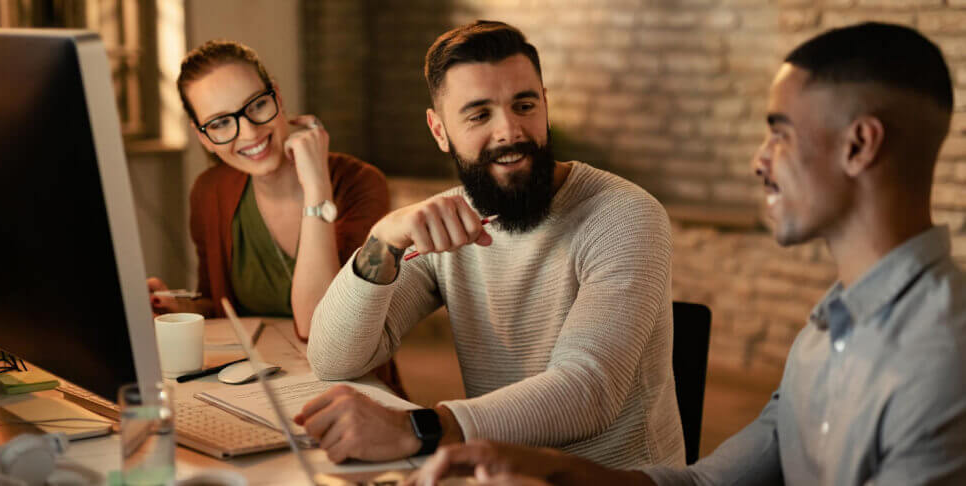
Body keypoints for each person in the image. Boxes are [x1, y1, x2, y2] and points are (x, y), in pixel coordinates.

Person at [406, 22, 966, 486]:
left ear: (859, 145)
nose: (760, 161)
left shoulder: (941, 356)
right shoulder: (830, 326)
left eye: (781, 134)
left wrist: (435, 428)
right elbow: (705, 483)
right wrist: (547, 470)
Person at [292, 20, 684, 469]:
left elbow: (588, 390)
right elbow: (332, 357)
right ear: (439, 131)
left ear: (545, 105)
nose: (510, 131)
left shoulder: (625, 215)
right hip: (499, 472)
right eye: (479, 114)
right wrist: (383, 239)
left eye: (524, 105)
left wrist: (415, 429)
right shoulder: (447, 221)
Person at [147, 40, 402, 394]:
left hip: (352, 388)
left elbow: (321, 328)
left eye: (257, 105)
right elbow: (221, 307)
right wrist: (177, 306)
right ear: (203, 137)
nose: (250, 132)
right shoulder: (209, 191)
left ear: (277, 97)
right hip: (259, 386)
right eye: (221, 123)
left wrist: (317, 192)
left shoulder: (360, 184)